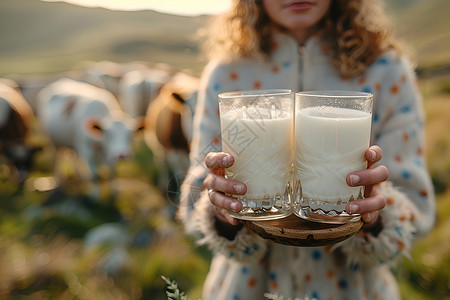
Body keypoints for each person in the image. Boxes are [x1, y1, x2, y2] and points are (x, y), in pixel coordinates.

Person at [178, 0, 436, 299]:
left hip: (354, 289)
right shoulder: (226, 72)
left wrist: (377, 212)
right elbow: (195, 199)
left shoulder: (386, 69)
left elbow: (419, 207)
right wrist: (222, 209)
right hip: (246, 288)